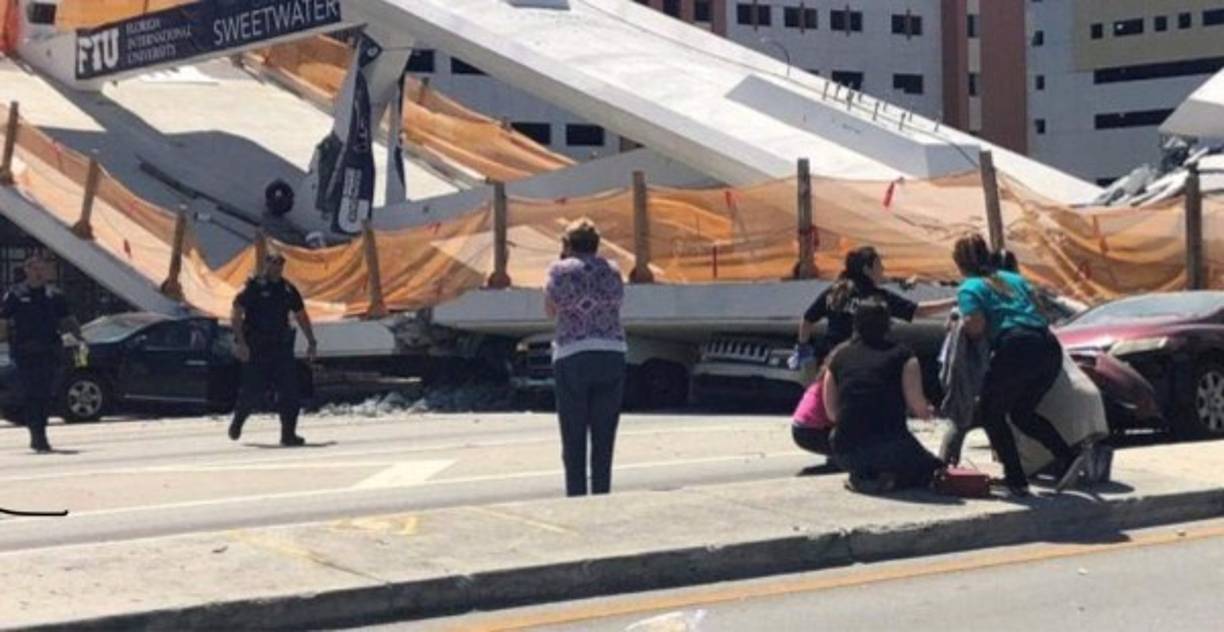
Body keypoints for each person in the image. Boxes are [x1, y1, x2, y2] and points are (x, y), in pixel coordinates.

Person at [952, 233, 1087, 497]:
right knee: (1021, 412)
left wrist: (959, 322)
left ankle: (1016, 480)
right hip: (1047, 346)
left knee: (991, 413)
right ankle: (1068, 456)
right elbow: (1039, 311)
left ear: (960, 263)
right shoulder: (1013, 279)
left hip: (1015, 348)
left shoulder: (969, 288)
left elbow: (976, 328)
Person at [822, 296, 943, 493]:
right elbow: (918, 407)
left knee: (870, 458)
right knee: (932, 470)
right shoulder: (903, 355)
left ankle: (863, 477)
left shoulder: (838, 357)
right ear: (888, 324)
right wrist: (930, 410)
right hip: (889, 443)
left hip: (844, 449)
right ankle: (889, 481)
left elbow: (832, 413)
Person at [545, 219, 627, 497]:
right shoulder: (612, 270)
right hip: (611, 352)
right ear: (596, 244)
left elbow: (550, 309)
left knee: (573, 432)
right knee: (604, 434)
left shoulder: (560, 270)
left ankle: (577, 495)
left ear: (567, 245)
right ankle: (602, 491)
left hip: (573, 354)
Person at [792, 246, 955, 381]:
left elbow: (807, 320)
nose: (883, 269)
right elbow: (917, 311)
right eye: (879, 265)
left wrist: (803, 348)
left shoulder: (835, 291)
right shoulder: (876, 297)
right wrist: (953, 301)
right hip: (864, 362)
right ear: (867, 269)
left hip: (834, 360)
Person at [227, 252, 317, 447]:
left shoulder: (287, 289)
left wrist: (311, 340)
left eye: (280, 264)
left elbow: (301, 315)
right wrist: (240, 342)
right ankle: (238, 422)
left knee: (290, 392)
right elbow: (236, 314)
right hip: (257, 348)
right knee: (252, 391)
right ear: (266, 264)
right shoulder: (254, 287)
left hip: (280, 348)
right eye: (273, 263)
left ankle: (288, 434)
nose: (276, 267)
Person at [1, 253, 84, 453]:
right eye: (35, 268)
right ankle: (38, 435)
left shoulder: (54, 296)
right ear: (27, 270)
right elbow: (3, 321)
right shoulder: (15, 295)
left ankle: (40, 430)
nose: (39, 272)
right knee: (31, 394)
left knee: (46, 394)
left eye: (42, 268)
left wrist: (79, 339)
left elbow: (68, 322)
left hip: (49, 352)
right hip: (24, 352)